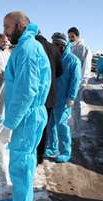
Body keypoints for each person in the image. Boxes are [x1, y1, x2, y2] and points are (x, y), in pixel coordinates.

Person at [0, 11, 51, 201]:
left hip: (27, 117)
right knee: (22, 164)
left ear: (20, 25)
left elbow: (25, 92)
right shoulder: (25, 46)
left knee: (21, 166)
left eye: (8, 27)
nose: (5, 32)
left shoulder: (28, 49)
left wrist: (10, 124)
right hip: (27, 115)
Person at [44, 32, 81, 163]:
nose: (53, 46)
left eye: (56, 44)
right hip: (52, 97)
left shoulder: (73, 61)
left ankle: (65, 151)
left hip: (64, 99)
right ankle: (52, 147)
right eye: (52, 43)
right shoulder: (52, 58)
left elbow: (75, 81)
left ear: (62, 45)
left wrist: (71, 97)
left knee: (62, 125)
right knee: (51, 124)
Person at [35, 32, 63, 165]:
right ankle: (40, 156)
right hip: (50, 95)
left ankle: (31, 154)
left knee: (31, 126)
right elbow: (60, 71)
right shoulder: (54, 48)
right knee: (44, 126)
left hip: (34, 96)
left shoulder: (32, 46)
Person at [67, 27, 92, 139]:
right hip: (68, 81)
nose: (71, 39)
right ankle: (69, 127)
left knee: (76, 106)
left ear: (78, 36)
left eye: (72, 36)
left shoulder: (84, 48)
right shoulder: (69, 47)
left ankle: (76, 130)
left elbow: (86, 67)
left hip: (77, 82)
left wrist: (82, 82)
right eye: (69, 37)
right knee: (68, 105)